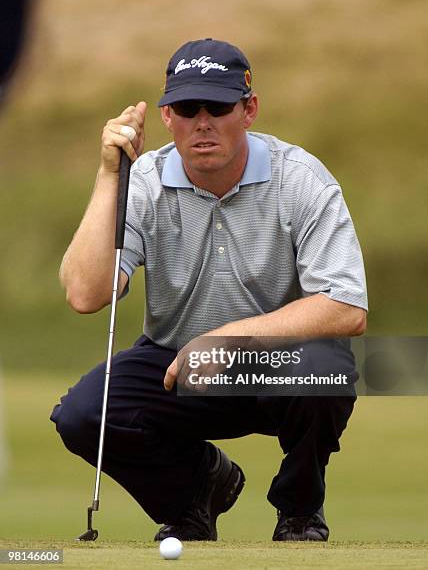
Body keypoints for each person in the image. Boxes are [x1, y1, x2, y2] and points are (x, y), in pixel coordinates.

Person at [51, 38, 368, 542]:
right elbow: (86, 294)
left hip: (275, 364)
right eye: (187, 107)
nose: (204, 121)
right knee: (82, 414)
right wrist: (110, 175)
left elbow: (346, 306)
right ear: (167, 116)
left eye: (219, 106)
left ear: (249, 110)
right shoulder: (145, 181)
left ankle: (300, 509)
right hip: (176, 365)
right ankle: (194, 493)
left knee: (326, 368)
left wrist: (229, 339)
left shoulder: (301, 179)